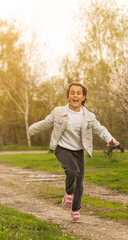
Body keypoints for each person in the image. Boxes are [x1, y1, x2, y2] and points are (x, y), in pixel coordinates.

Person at [28, 82, 119, 223]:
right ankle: (68, 194)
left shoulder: (89, 116)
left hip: (78, 151)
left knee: (80, 183)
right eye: (72, 93)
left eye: (78, 93)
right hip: (62, 148)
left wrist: (110, 139)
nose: (75, 95)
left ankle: (75, 209)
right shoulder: (58, 112)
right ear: (68, 96)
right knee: (72, 171)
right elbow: (46, 123)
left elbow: (100, 129)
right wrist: (31, 130)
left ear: (83, 97)